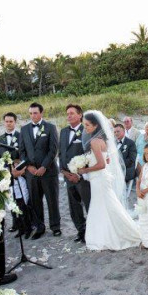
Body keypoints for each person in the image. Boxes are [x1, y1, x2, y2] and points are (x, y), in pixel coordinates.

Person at [76, 111, 141, 251]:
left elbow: (101, 164)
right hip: (102, 178)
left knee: (102, 205)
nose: (85, 128)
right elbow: (108, 159)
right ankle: (110, 232)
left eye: (87, 125)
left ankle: (105, 235)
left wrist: (84, 170)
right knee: (107, 204)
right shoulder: (103, 141)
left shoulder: (94, 141)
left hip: (99, 178)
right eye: (84, 125)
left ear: (95, 125)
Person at [18, 102, 61, 239]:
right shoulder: (24, 130)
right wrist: (29, 167)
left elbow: (53, 150)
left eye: (35, 113)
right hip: (31, 173)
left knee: (52, 200)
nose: (32, 115)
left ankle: (55, 227)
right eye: (30, 113)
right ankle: (40, 227)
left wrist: (43, 167)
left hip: (48, 172)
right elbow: (22, 151)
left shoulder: (50, 127)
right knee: (35, 201)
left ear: (41, 113)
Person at [58, 104, 91, 244]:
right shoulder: (64, 131)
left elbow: (89, 155)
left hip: (82, 178)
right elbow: (61, 153)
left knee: (89, 204)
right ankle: (81, 231)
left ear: (80, 115)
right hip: (68, 177)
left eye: (72, 113)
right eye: (67, 113)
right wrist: (65, 172)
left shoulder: (86, 130)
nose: (69, 115)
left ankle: (91, 231)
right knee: (74, 207)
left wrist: (80, 174)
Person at [0, 112, 28, 234]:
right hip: (6, 173)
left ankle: (25, 224)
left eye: (11, 121)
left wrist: (18, 165)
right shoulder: (0, 139)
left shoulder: (21, 136)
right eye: (6, 121)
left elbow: (24, 154)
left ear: (15, 122)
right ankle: (16, 224)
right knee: (10, 200)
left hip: (19, 173)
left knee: (21, 200)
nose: (8, 124)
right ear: (4, 123)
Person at [114, 123, 138, 187]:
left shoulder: (130, 143)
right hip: (114, 169)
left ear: (124, 131)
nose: (116, 133)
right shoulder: (113, 143)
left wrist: (118, 165)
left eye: (118, 131)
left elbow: (131, 160)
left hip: (125, 170)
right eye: (115, 132)